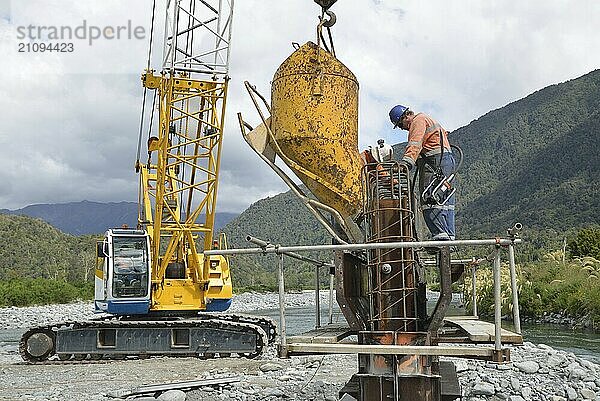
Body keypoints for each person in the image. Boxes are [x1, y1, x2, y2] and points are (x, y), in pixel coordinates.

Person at [389, 104, 456, 240]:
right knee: (444, 198)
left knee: (428, 198)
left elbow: (415, 143)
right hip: (446, 162)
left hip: (433, 163)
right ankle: (449, 234)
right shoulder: (428, 119)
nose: (403, 128)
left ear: (405, 117)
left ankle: (439, 234)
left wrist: (406, 163)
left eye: (401, 125)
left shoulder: (417, 121)